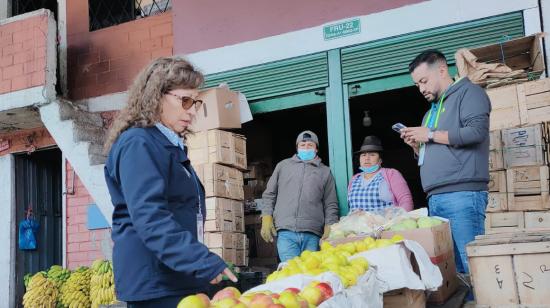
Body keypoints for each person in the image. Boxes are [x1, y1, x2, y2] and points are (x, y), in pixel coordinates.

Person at [103, 57, 237, 307]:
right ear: (156, 96)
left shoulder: (167, 145)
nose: (193, 110)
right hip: (155, 281)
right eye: (185, 100)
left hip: (173, 275)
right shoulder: (139, 144)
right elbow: (151, 218)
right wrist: (202, 261)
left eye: (195, 102)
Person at [400, 49, 490, 275]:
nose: (421, 89)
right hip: (436, 198)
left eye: (423, 81)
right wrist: (417, 145)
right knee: (453, 269)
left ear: (441, 70)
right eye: (417, 84)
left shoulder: (470, 93)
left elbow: (476, 132)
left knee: (473, 267)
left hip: (462, 194)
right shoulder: (429, 113)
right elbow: (434, 143)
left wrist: (429, 135)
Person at [260, 130, 339, 262]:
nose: (306, 148)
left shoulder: (325, 172)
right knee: (291, 273)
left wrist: (329, 226)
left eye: (310, 145)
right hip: (286, 231)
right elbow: (269, 194)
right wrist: (266, 216)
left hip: (313, 233)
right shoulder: (283, 166)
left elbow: (330, 204)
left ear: (316, 149)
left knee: (310, 274)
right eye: (302, 145)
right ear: (297, 148)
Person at [348, 136, 413, 213]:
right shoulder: (354, 179)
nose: (367, 158)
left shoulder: (391, 174)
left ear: (380, 160)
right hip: (358, 224)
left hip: (385, 223)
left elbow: (406, 201)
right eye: (363, 155)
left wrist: (399, 219)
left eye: (372, 155)